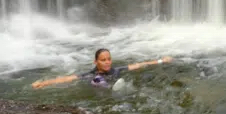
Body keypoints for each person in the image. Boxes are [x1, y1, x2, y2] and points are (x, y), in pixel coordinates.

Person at [31, 48, 172, 89]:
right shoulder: (90, 74)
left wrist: (161, 60)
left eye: (109, 59)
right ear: (96, 61)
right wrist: (43, 83)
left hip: (116, 83)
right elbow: (67, 78)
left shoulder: (116, 70)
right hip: (97, 84)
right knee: (96, 81)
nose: (107, 62)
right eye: (103, 60)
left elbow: (140, 64)